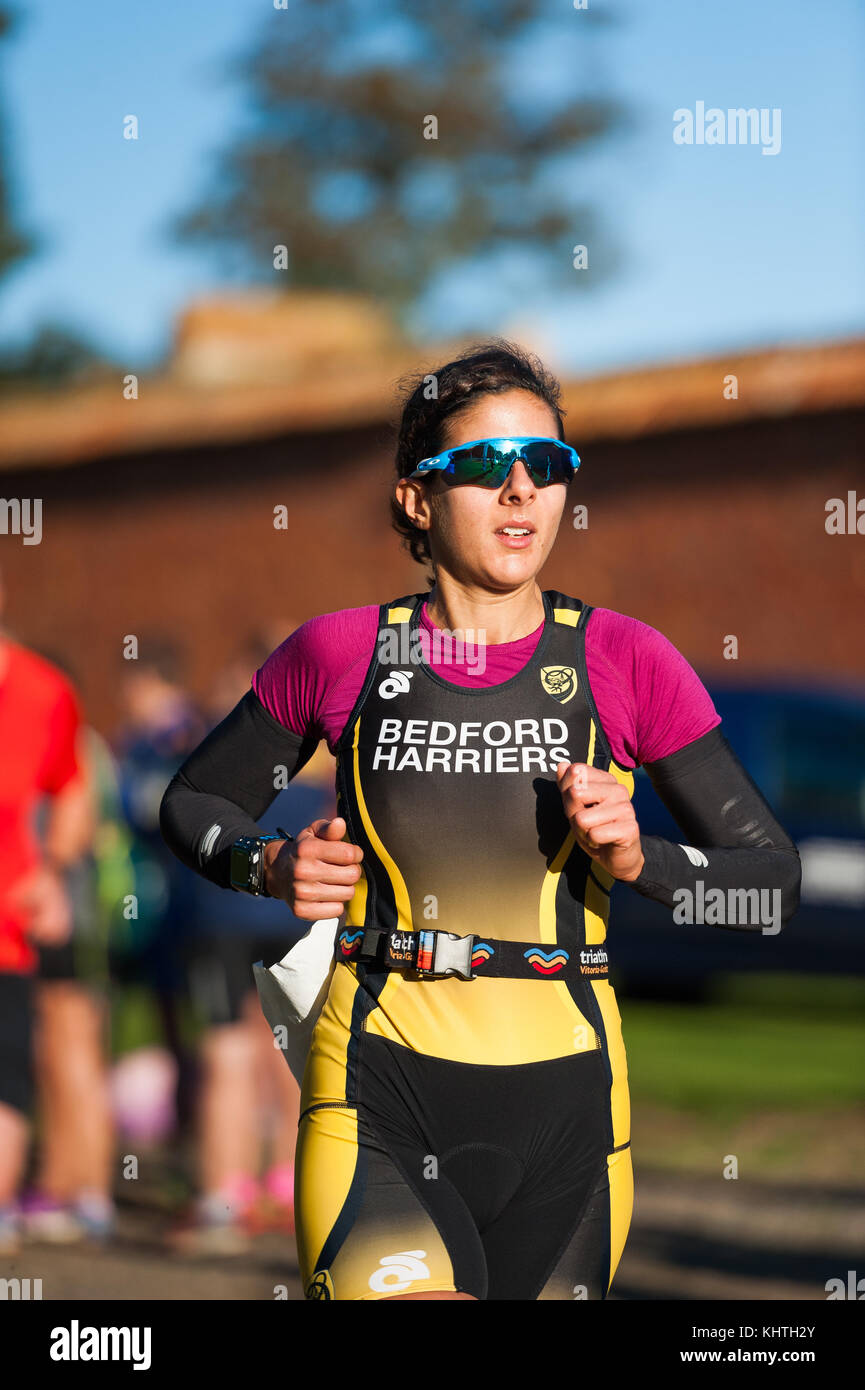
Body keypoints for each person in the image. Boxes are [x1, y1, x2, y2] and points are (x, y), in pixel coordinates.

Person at [159, 342, 802, 1301]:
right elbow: (192, 804)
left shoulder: (625, 658)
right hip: (381, 1088)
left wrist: (643, 859)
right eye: (480, 466)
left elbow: (770, 888)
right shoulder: (341, 652)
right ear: (417, 498)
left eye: (543, 466)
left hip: (570, 1107)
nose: (518, 491)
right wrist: (265, 865)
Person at [170, 642, 337, 1256]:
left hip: (226, 919)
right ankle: (289, 1182)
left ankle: (225, 1196)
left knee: (227, 1055)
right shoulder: (325, 755)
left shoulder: (225, 729)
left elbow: (180, 809)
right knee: (289, 1048)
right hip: (297, 916)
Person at [0, 573, 92, 1255]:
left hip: (8, 929)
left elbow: (71, 788)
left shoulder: (40, 691)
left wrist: (54, 874)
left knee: (10, 1075)